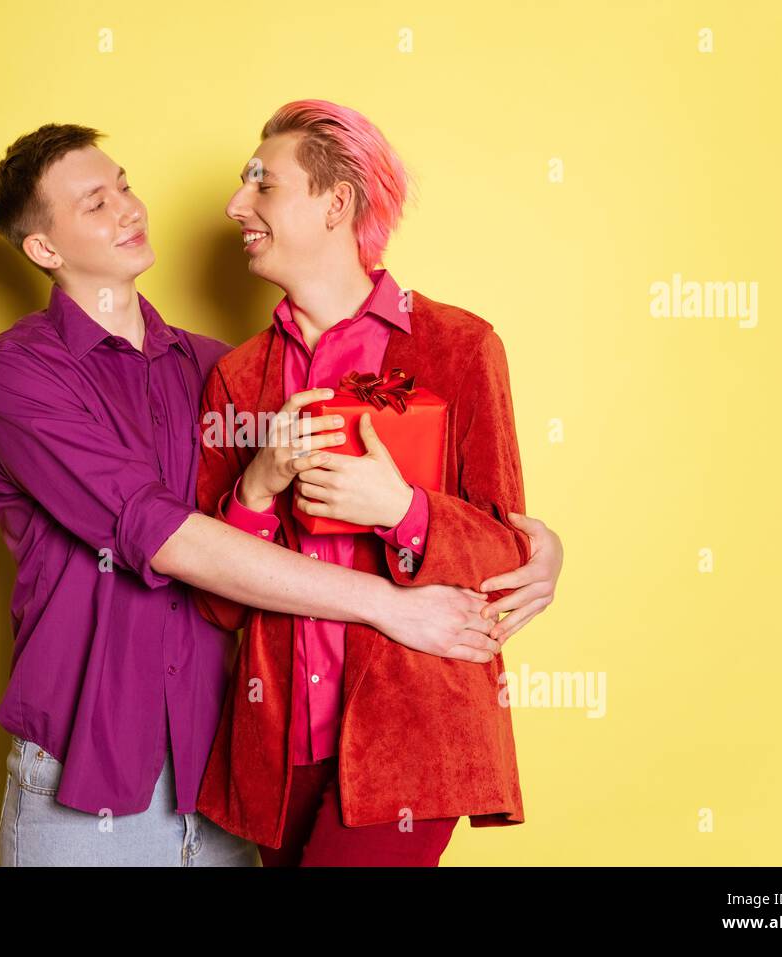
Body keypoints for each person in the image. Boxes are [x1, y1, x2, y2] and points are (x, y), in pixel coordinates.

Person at [0, 121, 562, 866]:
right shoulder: (17, 375)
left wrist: (537, 551)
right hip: (90, 776)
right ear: (45, 249)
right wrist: (371, 584)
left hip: (217, 774)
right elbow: (171, 539)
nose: (129, 208)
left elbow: (492, 533)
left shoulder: (213, 369)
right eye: (95, 203)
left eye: (123, 185)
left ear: (337, 206)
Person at [192, 99, 560, 866]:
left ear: (335, 203)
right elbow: (218, 600)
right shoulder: (237, 377)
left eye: (263, 184)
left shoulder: (461, 346)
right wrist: (256, 486)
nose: (236, 205)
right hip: (279, 743)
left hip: (415, 739)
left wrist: (405, 511)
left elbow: (507, 557)